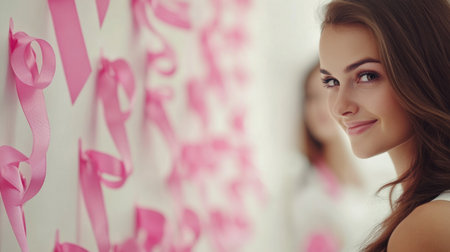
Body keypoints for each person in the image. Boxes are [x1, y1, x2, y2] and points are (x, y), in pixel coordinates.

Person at [318, 0, 450, 251]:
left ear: (423, 72)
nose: (340, 106)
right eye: (331, 81)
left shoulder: (426, 229)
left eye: (367, 76)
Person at [291, 61, 370, 252]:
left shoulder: (372, 168)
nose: (319, 107)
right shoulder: (307, 188)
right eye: (311, 97)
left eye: (328, 92)